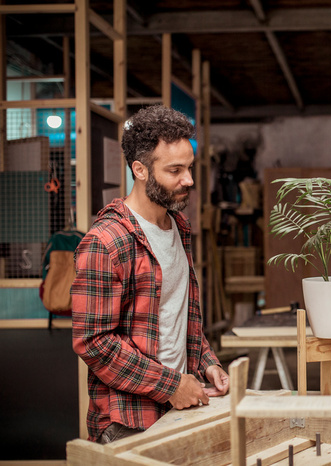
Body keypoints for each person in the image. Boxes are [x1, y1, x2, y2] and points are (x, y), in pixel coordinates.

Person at [71, 105, 229, 443]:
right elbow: (94, 343)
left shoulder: (177, 227)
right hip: (128, 420)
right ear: (140, 170)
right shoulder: (105, 242)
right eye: (175, 170)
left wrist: (206, 362)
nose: (188, 180)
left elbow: (177, 315)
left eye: (189, 168)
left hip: (178, 409)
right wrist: (171, 385)